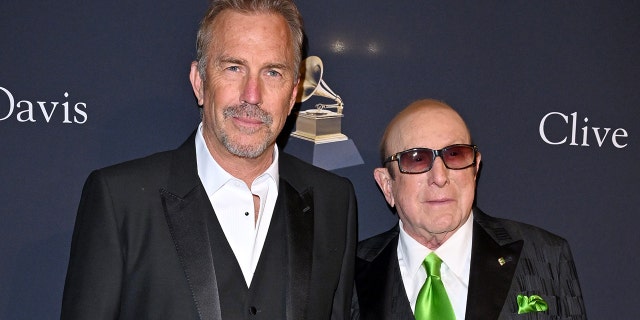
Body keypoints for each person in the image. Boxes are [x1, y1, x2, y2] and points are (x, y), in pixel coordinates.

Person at [60, 1, 357, 319]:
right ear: (199, 82)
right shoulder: (121, 201)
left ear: (293, 93)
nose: (252, 95)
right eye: (234, 68)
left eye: (272, 72)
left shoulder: (333, 202)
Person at [352, 99, 586, 319]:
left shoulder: (546, 256)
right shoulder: (349, 274)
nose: (440, 177)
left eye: (455, 155)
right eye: (417, 159)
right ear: (387, 185)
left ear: (474, 169)